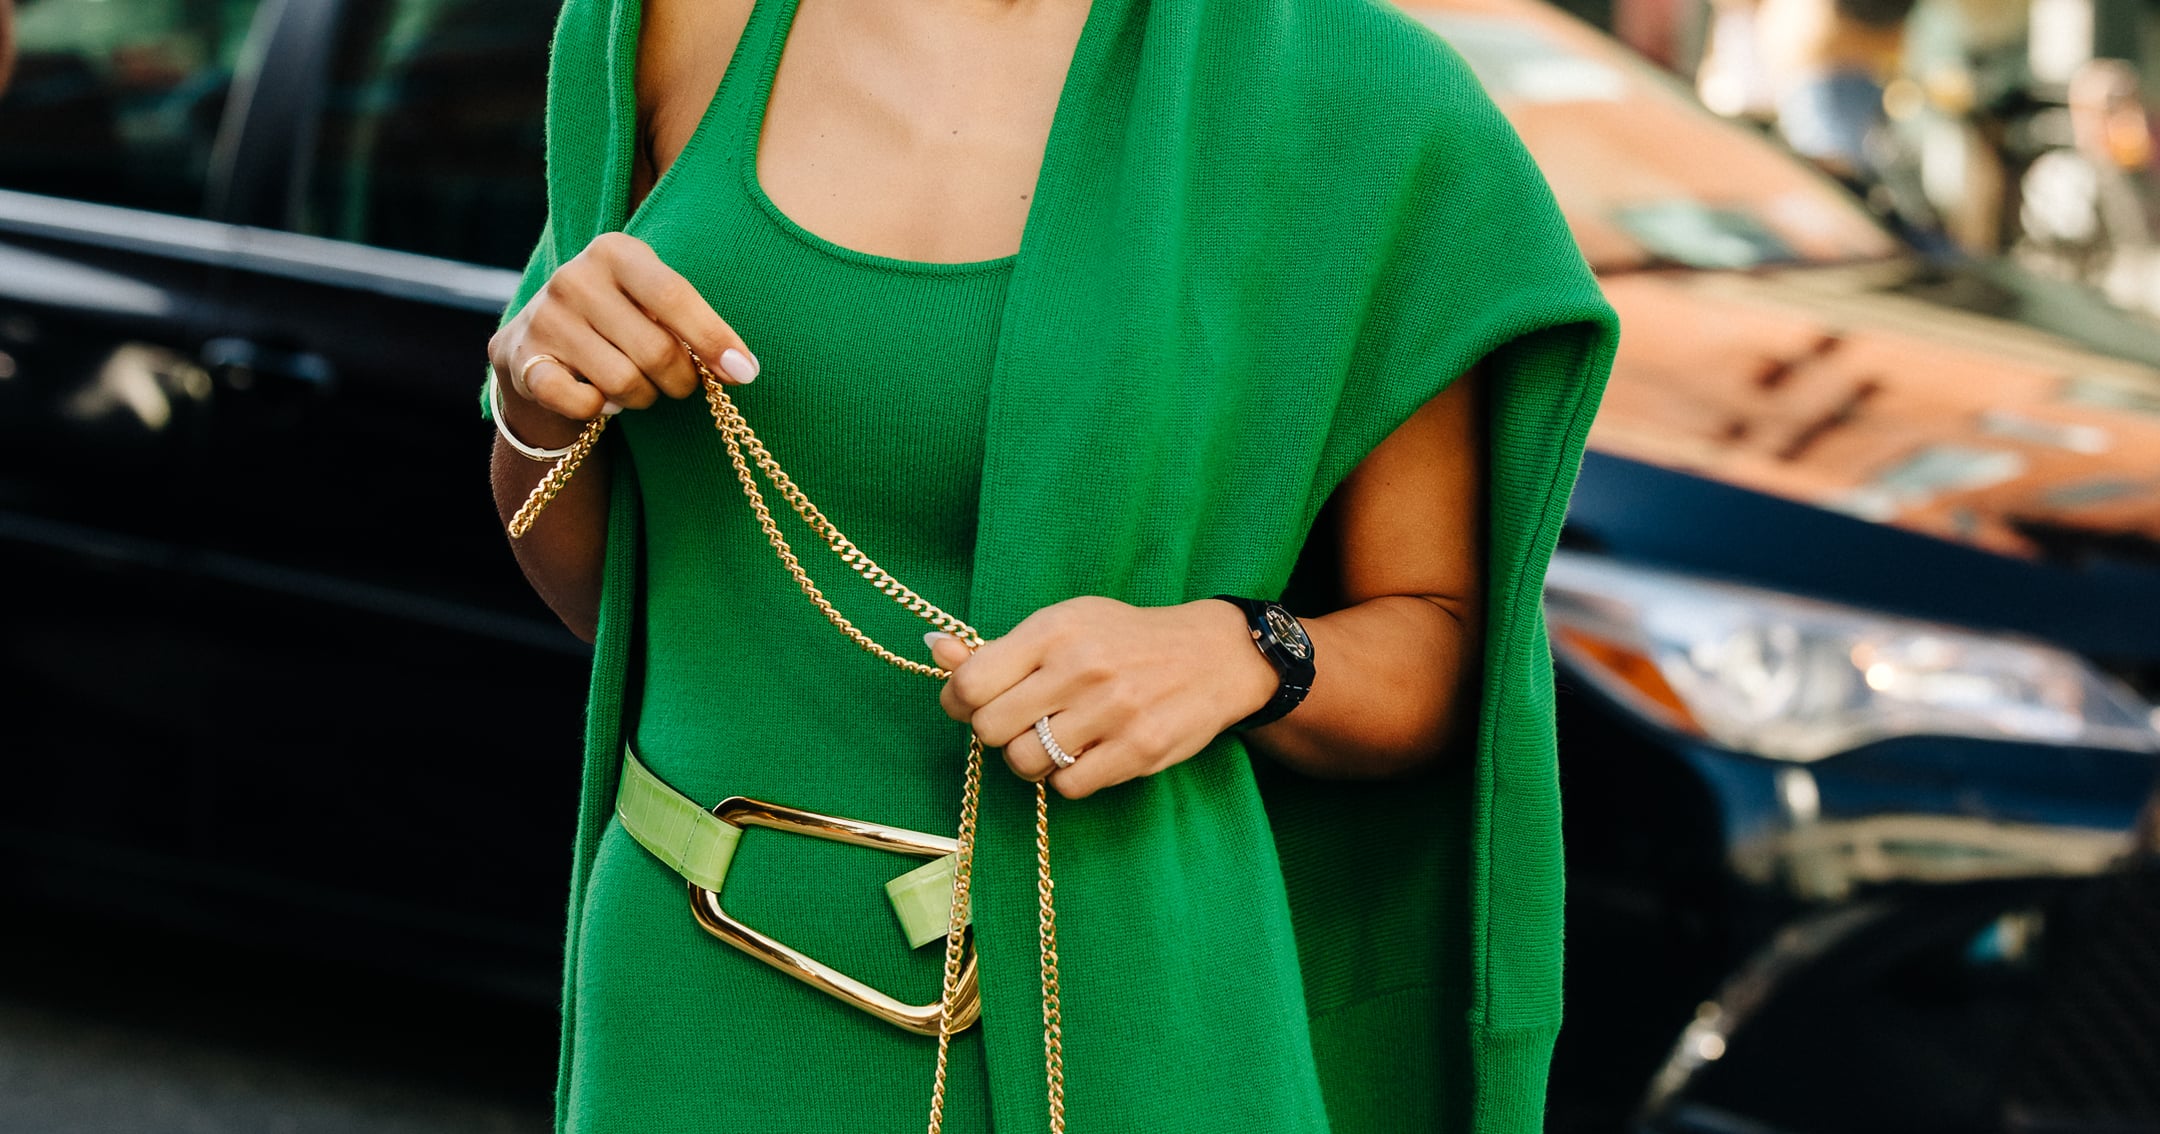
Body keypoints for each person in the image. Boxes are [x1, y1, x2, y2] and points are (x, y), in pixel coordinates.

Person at [480, 0, 1618, 1130]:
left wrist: (1239, 651)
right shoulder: (665, 26)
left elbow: (1444, 652)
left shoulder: (1362, 93)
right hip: (692, 991)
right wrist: (539, 403)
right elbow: (611, 601)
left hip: (1130, 1016)